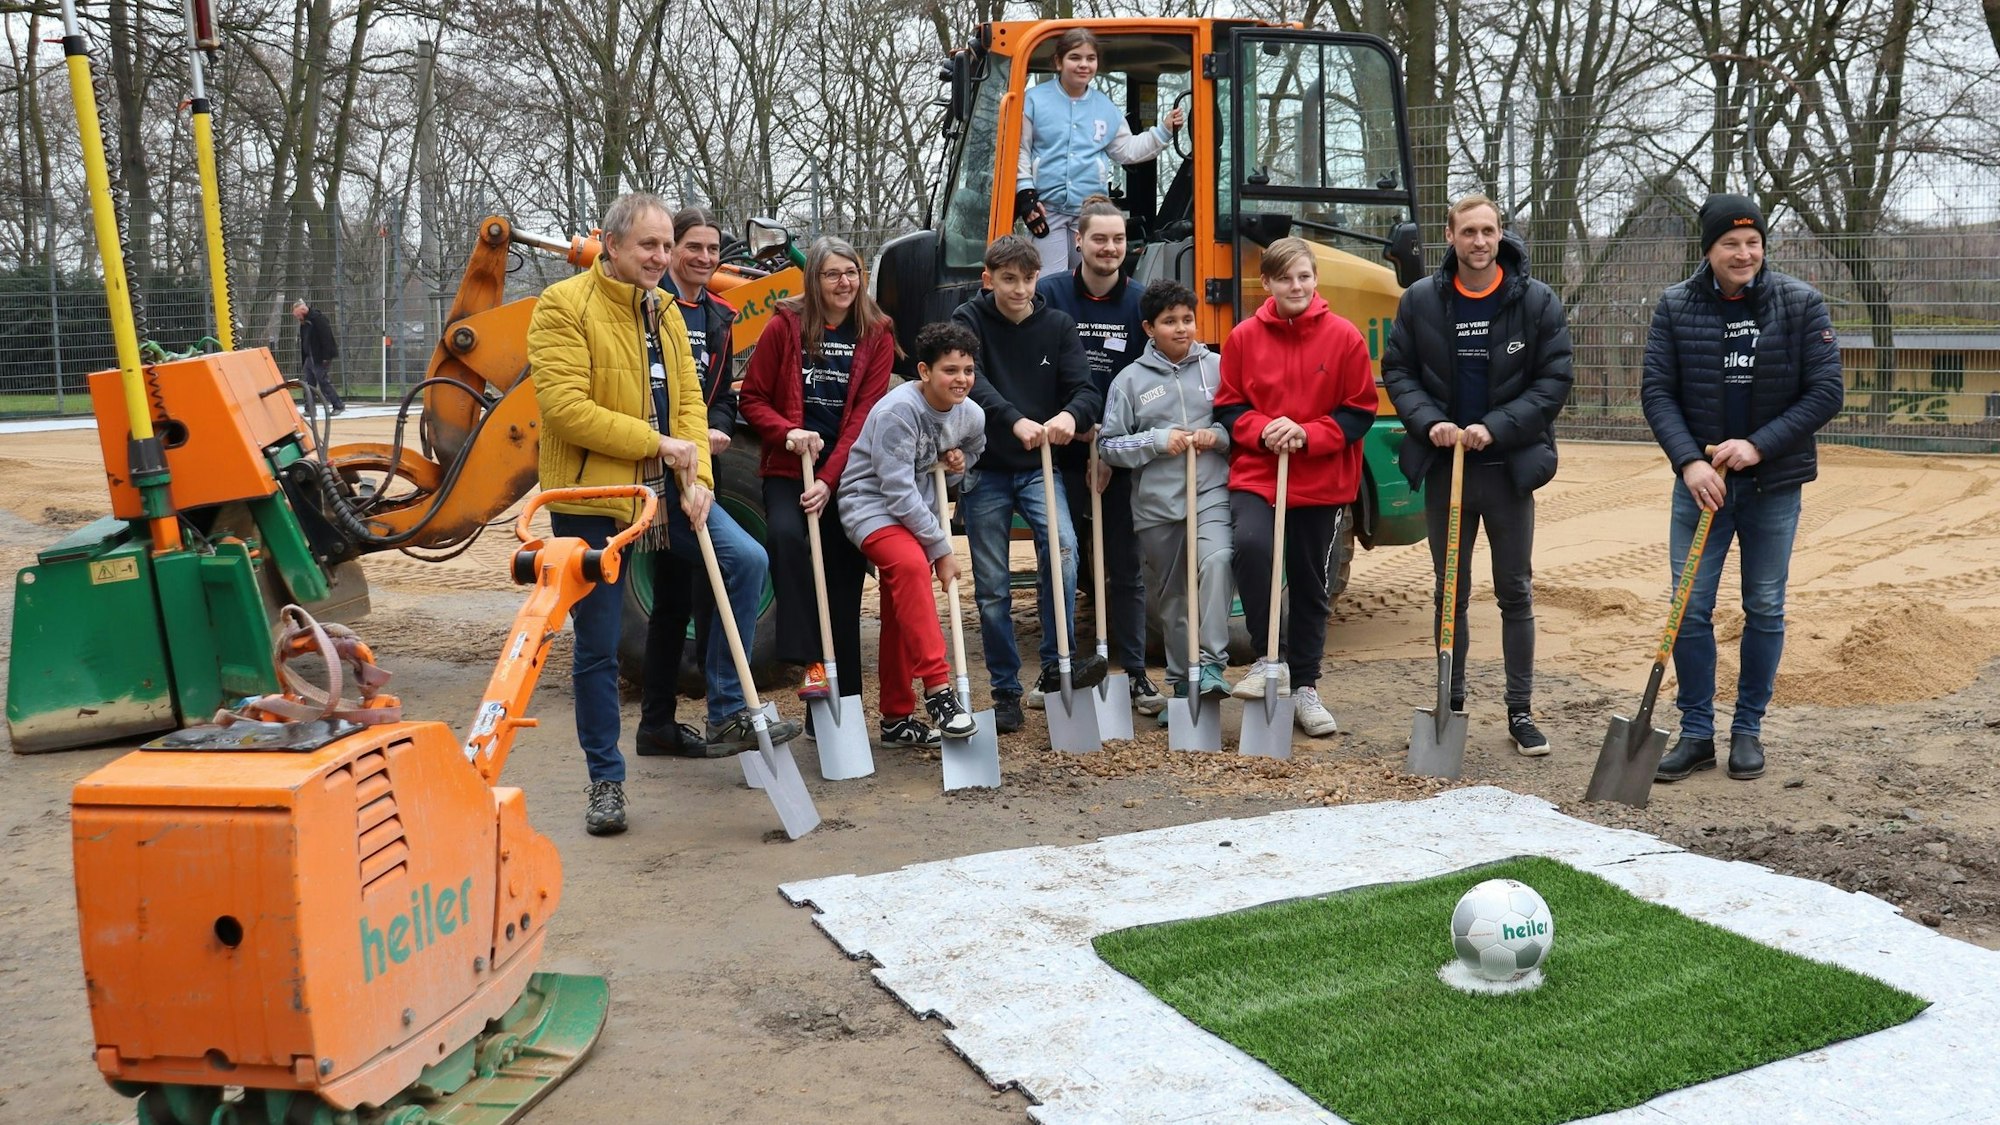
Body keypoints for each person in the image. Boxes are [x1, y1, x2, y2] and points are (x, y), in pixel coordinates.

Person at [527, 191, 800, 837]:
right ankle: (606, 781)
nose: (657, 256)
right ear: (611, 245)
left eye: (662, 245)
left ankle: (727, 707)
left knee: (748, 557)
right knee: (596, 645)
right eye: (646, 245)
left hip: (668, 494)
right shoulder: (562, 307)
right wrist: (661, 446)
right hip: (598, 502)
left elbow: (691, 407)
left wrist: (700, 478)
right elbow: (565, 409)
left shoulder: (666, 313)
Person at [1642, 192, 1843, 784]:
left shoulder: (1801, 304)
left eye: (1753, 241)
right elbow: (1658, 392)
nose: (1744, 252)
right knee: (1690, 608)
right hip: (1701, 488)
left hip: (1772, 486)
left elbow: (1826, 392)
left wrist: (1758, 445)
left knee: (1764, 606)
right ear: (1709, 249)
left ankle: (1748, 729)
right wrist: (1688, 463)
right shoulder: (1676, 307)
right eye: (1731, 242)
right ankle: (1697, 732)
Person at [1382, 195, 1574, 757]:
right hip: (1448, 470)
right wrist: (1430, 423)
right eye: (1468, 232)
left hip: (1507, 469)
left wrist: (1496, 426)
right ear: (1450, 236)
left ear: (1500, 235)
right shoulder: (1421, 301)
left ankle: (1521, 711)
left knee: (1515, 590)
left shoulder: (1536, 302)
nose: (1479, 242)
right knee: (1450, 592)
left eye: (1488, 231)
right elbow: (1399, 370)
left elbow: (1554, 378)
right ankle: (1452, 700)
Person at [1214, 237, 1377, 738]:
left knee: (1310, 581)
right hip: (1260, 473)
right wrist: (1262, 428)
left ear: (1315, 279)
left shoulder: (1345, 337)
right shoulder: (1243, 337)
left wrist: (1308, 433)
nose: (1296, 286)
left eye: (1304, 276)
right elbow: (1228, 407)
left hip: (1322, 477)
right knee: (1251, 545)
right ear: (1266, 283)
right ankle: (1270, 660)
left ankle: (1306, 686)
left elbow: (1359, 411)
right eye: (1285, 278)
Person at [951, 234, 1108, 734]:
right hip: (985, 466)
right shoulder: (968, 322)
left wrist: (1067, 416)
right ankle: (1004, 691)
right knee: (993, 586)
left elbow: (1086, 389)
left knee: (1062, 551)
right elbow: (972, 384)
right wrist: (1013, 419)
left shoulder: (1057, 325)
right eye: (1008, 279)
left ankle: (1056, 664)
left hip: (1041, 466)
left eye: (1028, 278)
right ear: (989, 279)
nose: (1020, 289)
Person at [740, 237, 896, 739]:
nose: (844, 283)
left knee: (843, 582)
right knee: (786, 538)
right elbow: (754, 398)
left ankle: (840, 710)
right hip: (789, 470)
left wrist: (830, 480)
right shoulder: (784, 326)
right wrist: (787, 433)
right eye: (832, 274)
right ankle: (806, 658)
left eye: (851, 272)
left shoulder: (876, 332)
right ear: (814, 280)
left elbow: (863, 418)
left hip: (846, 474)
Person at [1038, 194, 1162, 717]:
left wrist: (1110, 445)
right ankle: (1057, 668)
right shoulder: (1050, 294)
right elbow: (1039, 368)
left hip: (1118, 450)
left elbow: (1145, 381)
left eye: (1118, 240)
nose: (1110, 248)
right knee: (1060, 559)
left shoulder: (1139, 304)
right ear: (1079, 242)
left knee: (1125, 565)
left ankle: (1135, 674)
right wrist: (1076, 433)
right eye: (1099, 239)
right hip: (1059, 446)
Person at [838, 323, 987, 744]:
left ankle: (896, 717)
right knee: (909, 567)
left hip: (917, 509)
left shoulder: (970, 413)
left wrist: (960, 457)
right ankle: (940, 692)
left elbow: (977, 446)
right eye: (950, 370)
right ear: (924, 371)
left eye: (968, 370)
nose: (961, 379)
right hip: (872, 504)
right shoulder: (897, 411)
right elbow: (896, 490)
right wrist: (941, 549)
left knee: (903, 607)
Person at [1100, 280, 1233, 720]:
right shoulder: (1129, 382)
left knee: (1217, 562)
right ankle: (1182, 683)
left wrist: (1217, 436)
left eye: (1188, 320)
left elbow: (1241, 423)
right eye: (1170, 322)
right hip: (1158, 507)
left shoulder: (1218, 367)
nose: (1182, 329)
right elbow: (1110, 446)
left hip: (1210, 491)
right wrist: (1157, 440)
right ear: (1149, 328)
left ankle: (1211, 664)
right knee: (1174, 597)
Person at [636, 207, 737, 758]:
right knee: (680, 596)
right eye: (692, 247)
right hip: (651, 467)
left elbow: (717, 396)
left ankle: (658, 724)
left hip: (697, 472)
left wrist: (716, 431)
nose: (703, 258)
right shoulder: (652, 307)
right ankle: (679, 715)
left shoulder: (719, 318)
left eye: (711, 250)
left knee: (683, 597)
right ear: (672, 250)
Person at [1014, 27, 1184, 279]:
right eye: (1075, 57)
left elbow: (1127, 150)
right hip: (1049, 211)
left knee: (1089, 280)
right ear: (1059, 61)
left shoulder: (1105, 108)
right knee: (1050, 281)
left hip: (1090, 213)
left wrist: (1164, 131)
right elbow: (1021, 150)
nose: (1083, 65)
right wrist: (1026, 194)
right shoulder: (1033, 101)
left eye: (1090, 59)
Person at [293, 298, 345, 414]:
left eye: (297, 315)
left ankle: (338, 405)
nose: (297, 317)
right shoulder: (305, 322)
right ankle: (310, 408)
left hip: (319, 356)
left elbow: (327, 338)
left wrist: (326, 356)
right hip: (310, 356)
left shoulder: (318, 319)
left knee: (323, 381)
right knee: (308, 382)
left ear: (303, 310)